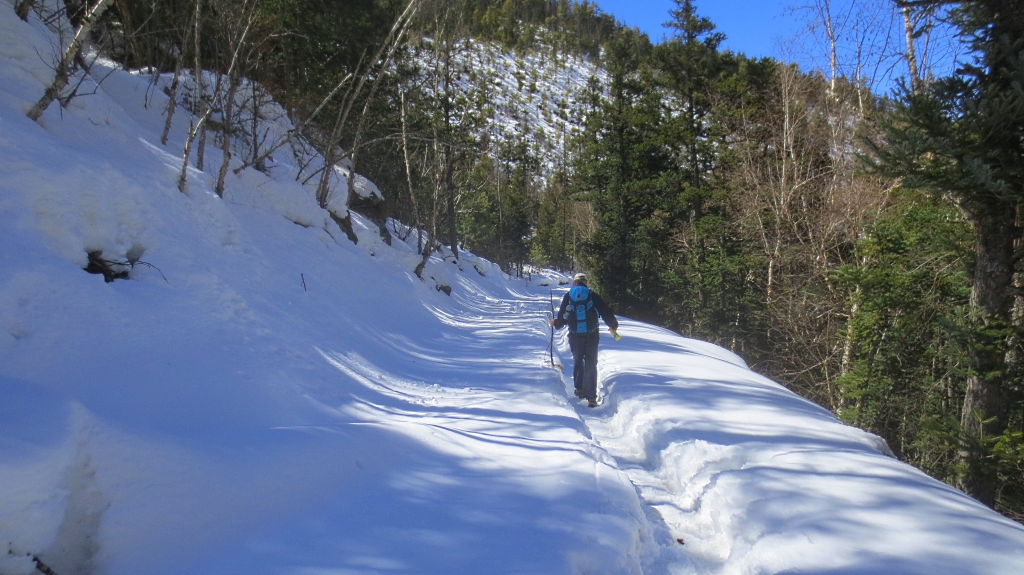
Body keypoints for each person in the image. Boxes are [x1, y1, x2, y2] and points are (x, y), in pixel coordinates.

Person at [550, 272, 618, 407]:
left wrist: (555, 323)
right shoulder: (592, 295)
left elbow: (562, 319)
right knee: (591, 363)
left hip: (575, 335)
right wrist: (613, 325)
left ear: (574, 283)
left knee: (578, 360)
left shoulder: (569, 296)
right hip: (592, 335)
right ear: (585, 282)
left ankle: (579, 389)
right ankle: (591, 397)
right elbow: (605, 311)